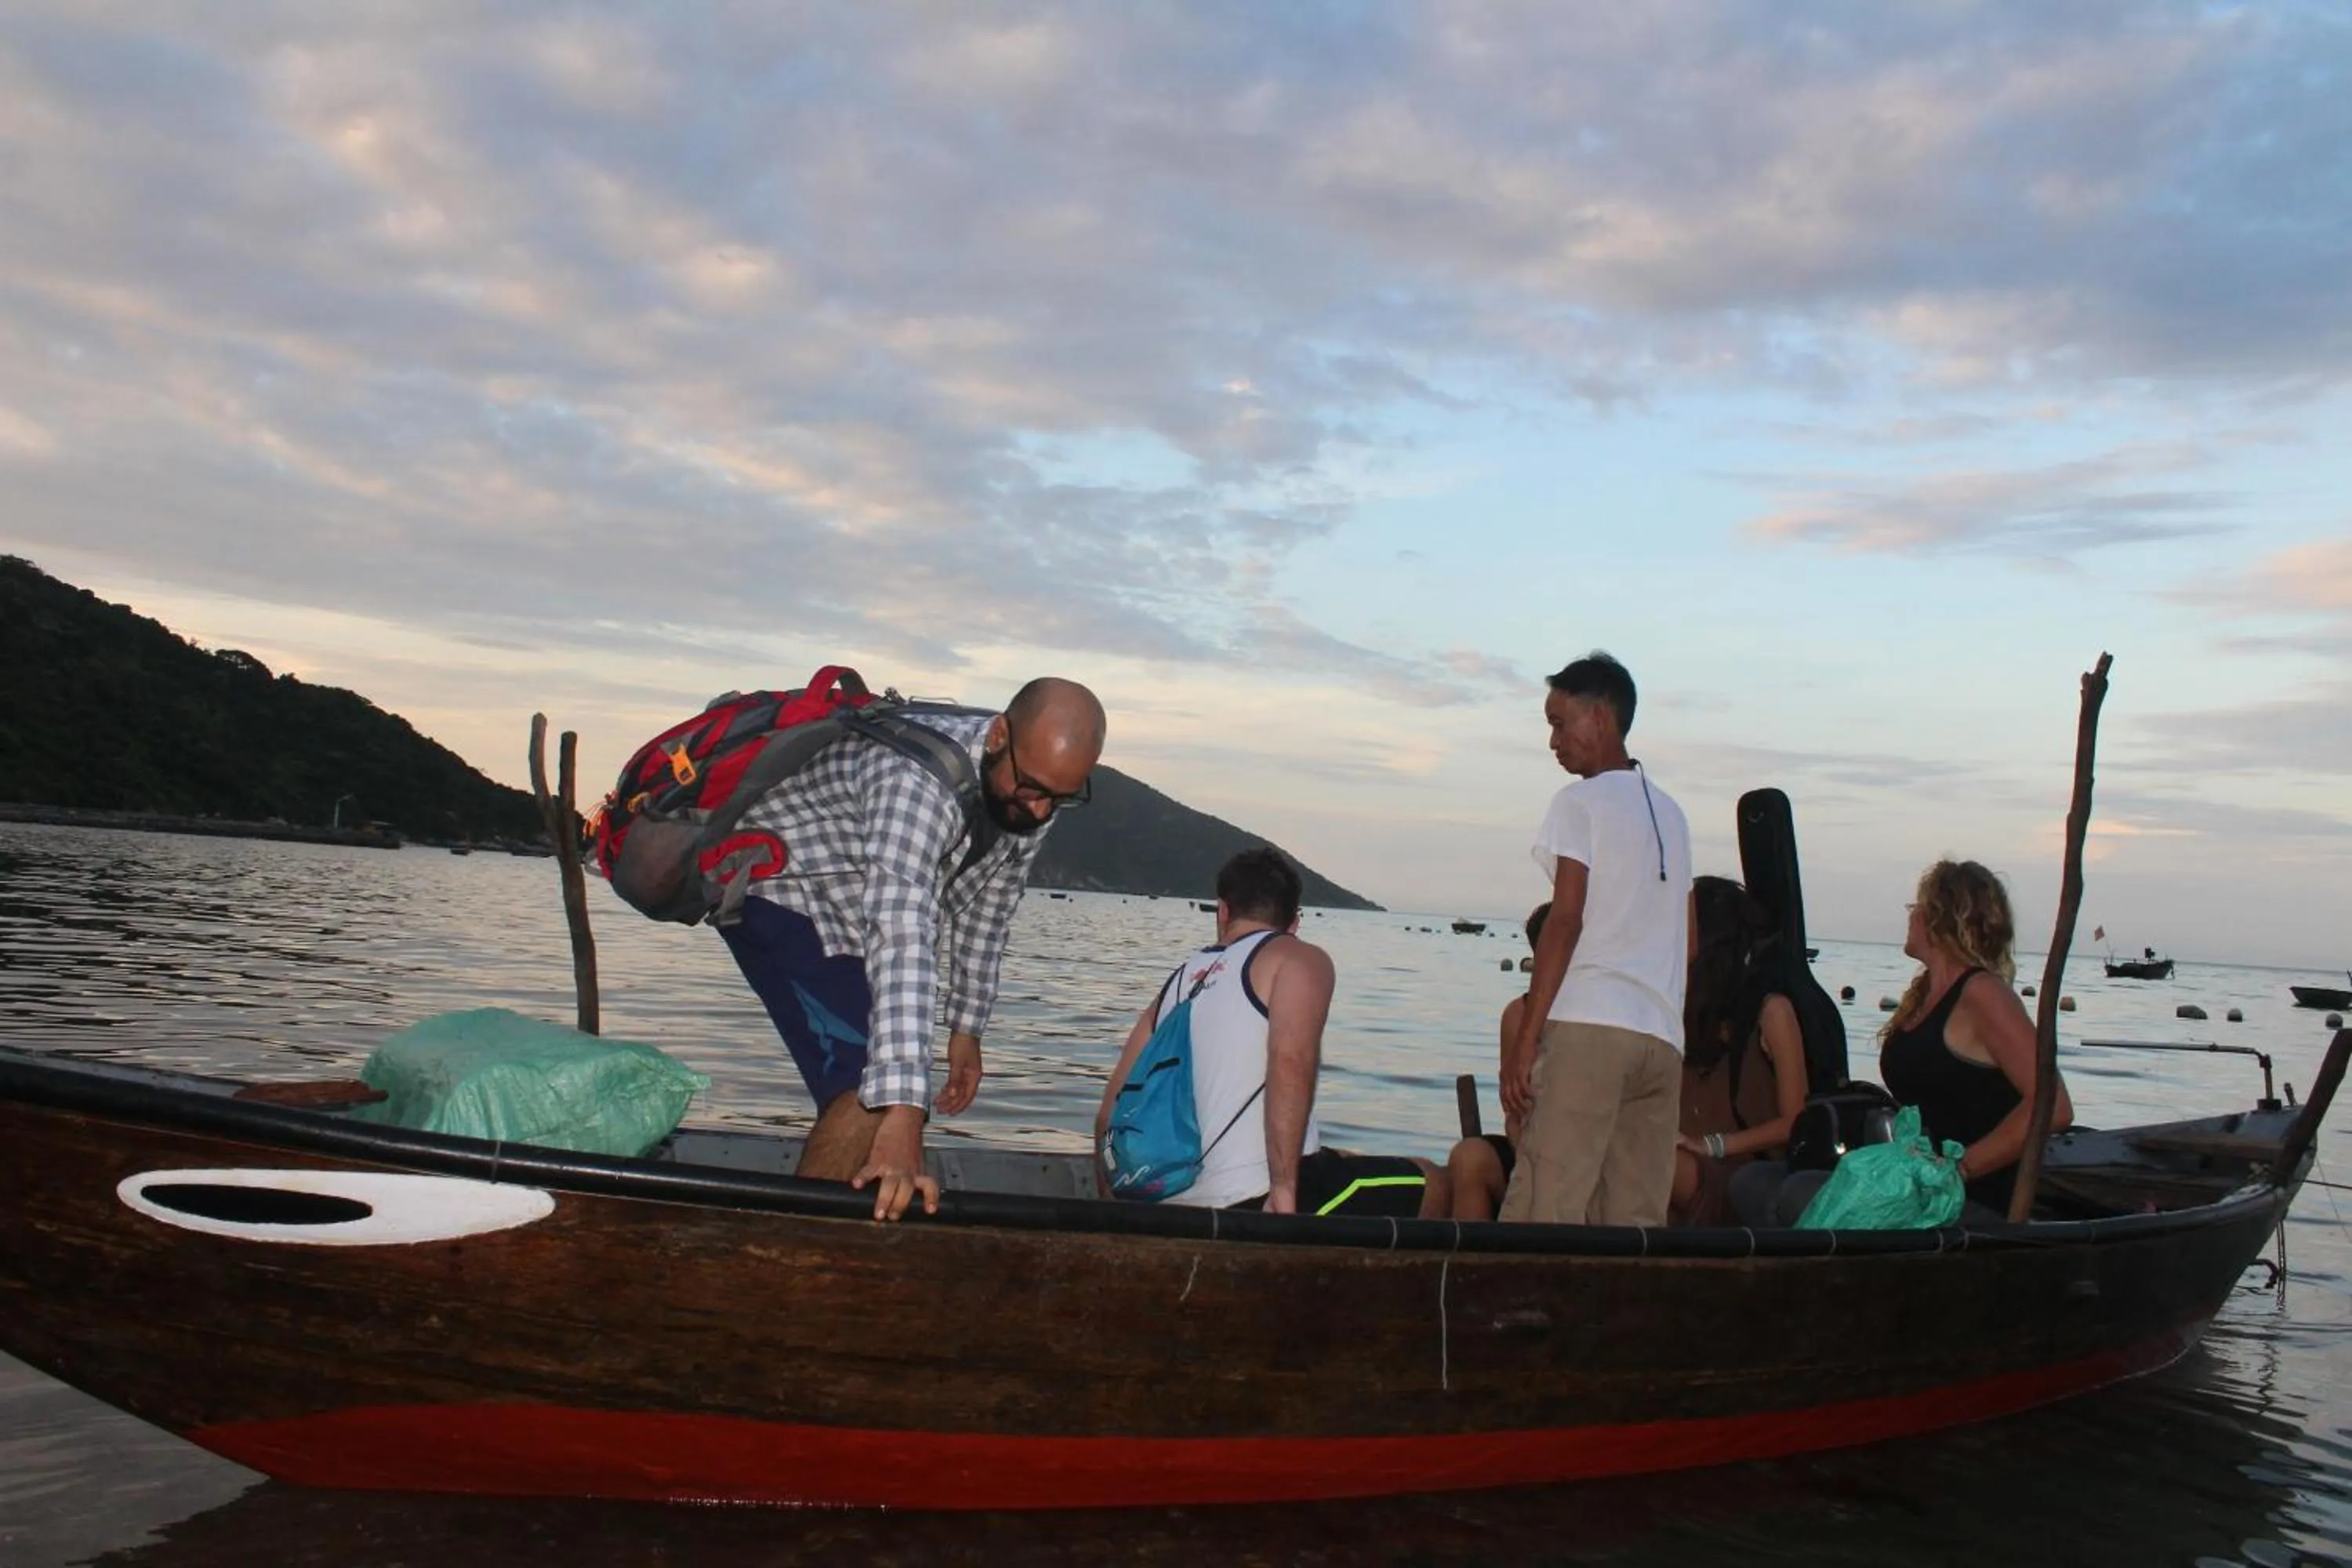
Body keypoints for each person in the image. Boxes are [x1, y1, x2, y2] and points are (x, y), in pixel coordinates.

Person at [723, 677, 1105, 1221]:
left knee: (883, 1078)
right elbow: (903, 935)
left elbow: (988, 903)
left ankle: (849, 1235)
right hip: (781, 885)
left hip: (851, 910)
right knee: (869, 1083)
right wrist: (905, 1111)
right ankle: (794, 1258)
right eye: (1033, 789)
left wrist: (967, 1028)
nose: (1041, 811)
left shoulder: (1027, 789)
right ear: (999, 735)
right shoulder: (915, 782)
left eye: (1061, 798)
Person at [1095, 848, 1451, 1218]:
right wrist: (1283, 1191)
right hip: (1251, 1196)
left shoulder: (1179, 980)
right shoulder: (1297, 958)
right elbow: (1290, 1060)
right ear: (1295, 922)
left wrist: (1114, 1208)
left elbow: (1109, 1112)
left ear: (1223, 911)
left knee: (1342, 1161)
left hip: (1166, 1199)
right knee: (1435, 1181)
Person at [1733, 858, 2074, 1225]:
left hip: (1961, 1195)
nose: (1910, 915)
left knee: (1797, 1194)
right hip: (1912, 1179)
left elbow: (2053, 1104)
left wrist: (1960, 1169)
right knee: (1753, 1183)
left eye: (1917, 907)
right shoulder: (1926, 995)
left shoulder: (1982, 994)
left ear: (1940, 919)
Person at [1499, 652, 1693, 1227]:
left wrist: (1527, 1039)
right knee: (1634, 1224)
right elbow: (1691, 943)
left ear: (1600, 717)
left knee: (1546, 1208)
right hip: (1661, 1041)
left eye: (1559, 723)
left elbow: (1565, 920)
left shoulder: (1578, 803)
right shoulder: (1673, 815)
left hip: (1590, 1029)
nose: (1553, 741)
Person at [1671, 877, 1809, 1226]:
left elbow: (1796, 1122)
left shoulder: (1771, 1012)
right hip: (1678, 1156)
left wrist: (1712, 1145)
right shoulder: (1673, 1006)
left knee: (1652, 1164)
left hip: (1742, 1170)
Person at [1444, 902, 1548, 1221]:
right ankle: (1472, 1264)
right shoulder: (1519, 1014)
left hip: (1592, 1153)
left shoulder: (1604, 1016)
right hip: (1531, 1147)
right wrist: (1529, 1163)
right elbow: (1513, 1111)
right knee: (1469, 1157)